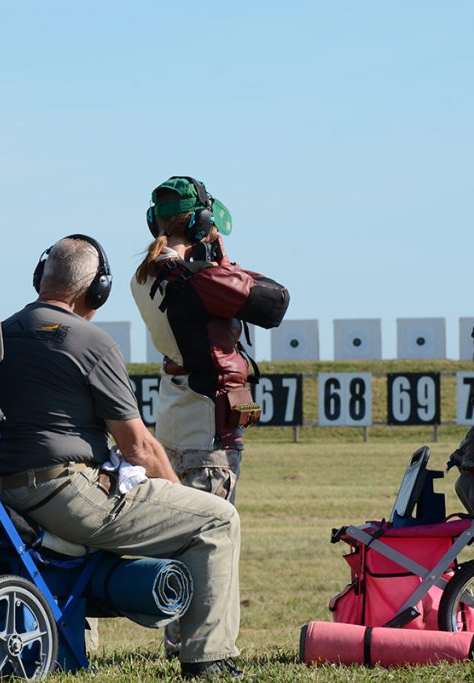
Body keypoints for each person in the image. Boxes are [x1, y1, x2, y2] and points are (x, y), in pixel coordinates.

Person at [0, 234, 243, 679]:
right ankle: (207, 657)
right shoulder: (92, 342)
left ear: (42, 276)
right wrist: (176, 496)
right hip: (67, 495)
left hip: (6, 493)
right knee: (217, 519)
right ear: (96, 290)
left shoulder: (0, 336)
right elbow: (137, 446)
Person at [131, 176, 288, 658]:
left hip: (176, 414)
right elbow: (274, 300)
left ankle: (179, 637)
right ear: (202, 223)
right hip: (207, 425)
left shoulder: (146, 273)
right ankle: (202, 645)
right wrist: (218, 260)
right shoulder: (198, 279)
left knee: (182, 535)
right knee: (211, 539)